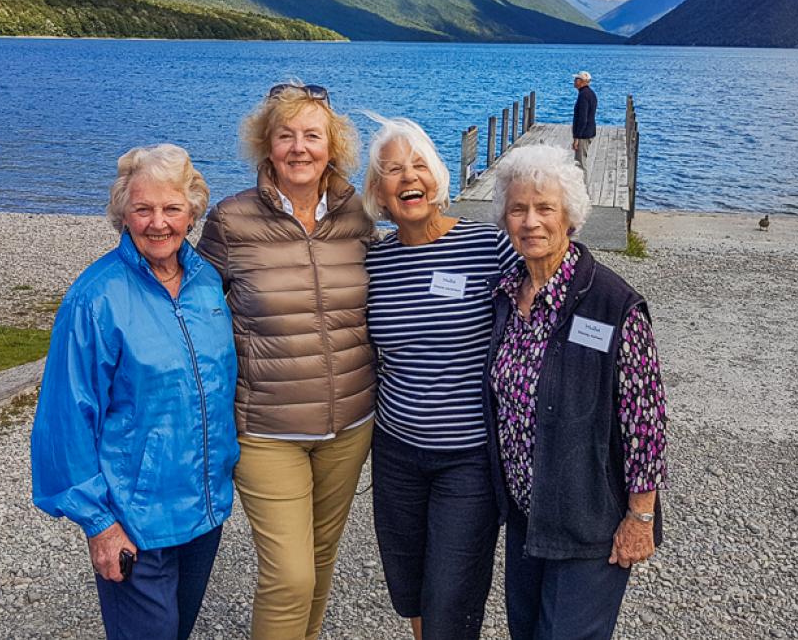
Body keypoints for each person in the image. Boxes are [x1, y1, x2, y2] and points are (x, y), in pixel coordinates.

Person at [31, 144, 239, 640]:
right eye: (143, 209)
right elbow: (65, 419)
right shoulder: (95, 297)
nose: (158, 222)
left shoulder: (208, 283)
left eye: (171, 208)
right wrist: (100, 524)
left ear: (193, 212)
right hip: (135, 518)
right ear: (123, 213)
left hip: (203, 508)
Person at [197, 83, 376, 640]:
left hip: (350, 424)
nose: (299, 148)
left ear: (333, 146)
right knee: (290, 575)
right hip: (266, 429)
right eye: (285, 135)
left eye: (312, 136)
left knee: (320, 563)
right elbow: (192, 309)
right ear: (266, 146)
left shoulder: (362, 217)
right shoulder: (231, 221)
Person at [484, 143, 668, 640]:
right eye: (518, 209)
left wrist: (640, 516)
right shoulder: (506, 293)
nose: (531, 221)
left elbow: (644, 424)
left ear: (570, 217)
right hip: (528, 516)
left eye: (545, 208)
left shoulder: (613, 304)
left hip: (590, 522)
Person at [361, 116, 521, 640]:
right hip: (396, 453)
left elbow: (554, 281)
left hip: (469, 457)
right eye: (393, 170)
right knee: (411, 588)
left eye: (419, 165)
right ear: (379, 193)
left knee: (452, 595)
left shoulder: (488, 248)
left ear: (438, 177)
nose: (410, 177)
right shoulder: (375, 262)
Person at [572, 70, 598, 173]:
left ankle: (583, 188)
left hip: (584, 134)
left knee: (580, 164)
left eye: (576, 79)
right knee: (581, 162)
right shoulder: (591, 93)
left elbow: (583, 118)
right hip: (589, 131)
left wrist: (577, 138)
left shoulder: (583, 95)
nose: (574, 81)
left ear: (582, 81)